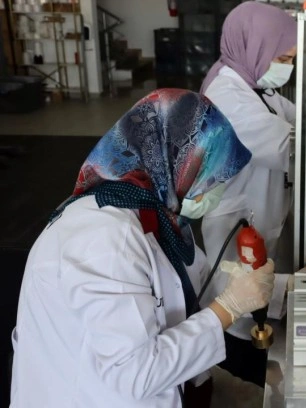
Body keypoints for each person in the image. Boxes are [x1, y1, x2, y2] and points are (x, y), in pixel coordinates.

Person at [10, 89, 275, 407]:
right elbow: (135, 375)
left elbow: (196, 287)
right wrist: (229, 308)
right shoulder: (105, 241)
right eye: (210, 179)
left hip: (168, 386)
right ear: (178, 164)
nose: (214, 192)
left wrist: (276, 289)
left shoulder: (158, 214)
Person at [199, 2, 297, 387]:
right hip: (235, 219)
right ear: (254, 46)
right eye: (283, 58)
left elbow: (300, 118)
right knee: (237, 301)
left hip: (259, 212)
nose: (287, 67)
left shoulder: (257, 87)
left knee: (258, 290)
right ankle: (237, 366)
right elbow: (287, 147)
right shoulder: (227, 94)